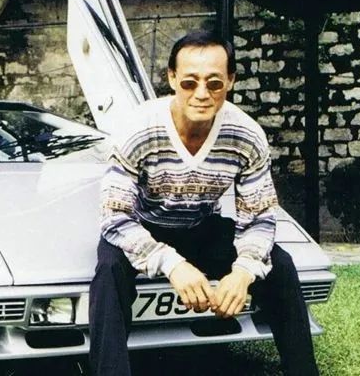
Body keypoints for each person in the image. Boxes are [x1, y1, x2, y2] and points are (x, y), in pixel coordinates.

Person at [89, 31, 318, 376]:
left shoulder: (247, 135)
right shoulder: (137, 129)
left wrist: (243, 271)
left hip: (200, 227)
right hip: (143, 227)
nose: (201, 94)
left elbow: (259, 216)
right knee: (108, 270)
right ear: (171, 79)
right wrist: (172, 265)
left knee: (280, 264)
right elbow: (114, 215)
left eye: (214, 84)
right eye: (189, 82)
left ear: (230, 80)